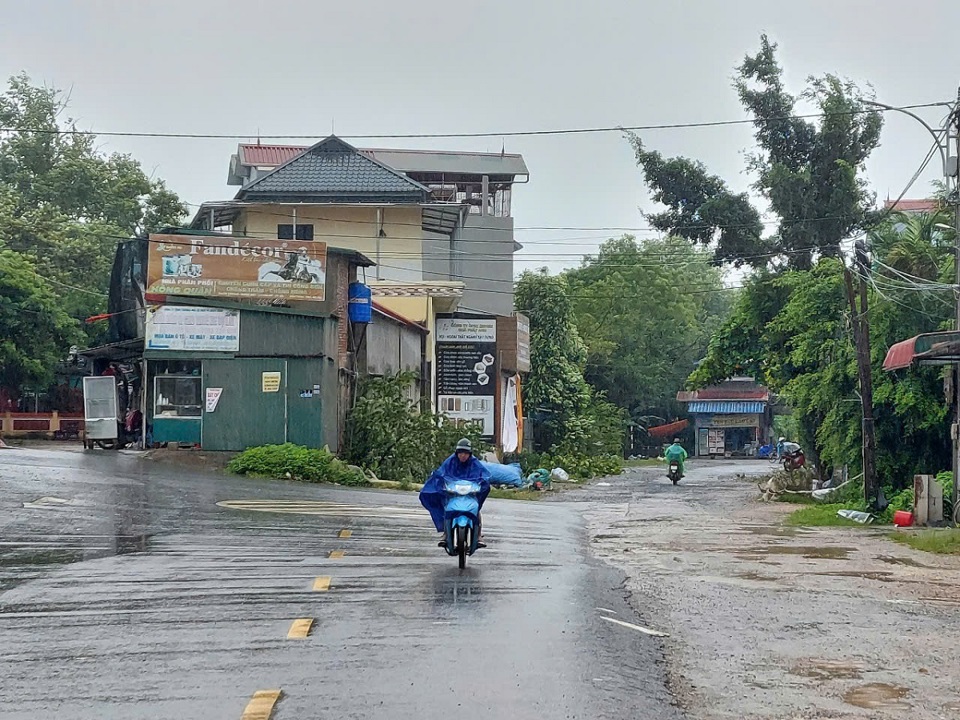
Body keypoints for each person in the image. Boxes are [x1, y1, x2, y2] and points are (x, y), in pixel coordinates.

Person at [419, 438, 491, 548]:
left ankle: (478, 535)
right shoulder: (450, 461)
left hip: (470, 495)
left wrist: (482, 483)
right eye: (461, 452)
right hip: (453, 494)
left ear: (470, 454)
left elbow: (484, 475)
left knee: (476, 510)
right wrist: (440, 481)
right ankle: (446, 533)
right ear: (457, 453)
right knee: (446, 508)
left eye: (466, 453)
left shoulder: (475, 463)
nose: (463, 455)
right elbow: (441, 473)